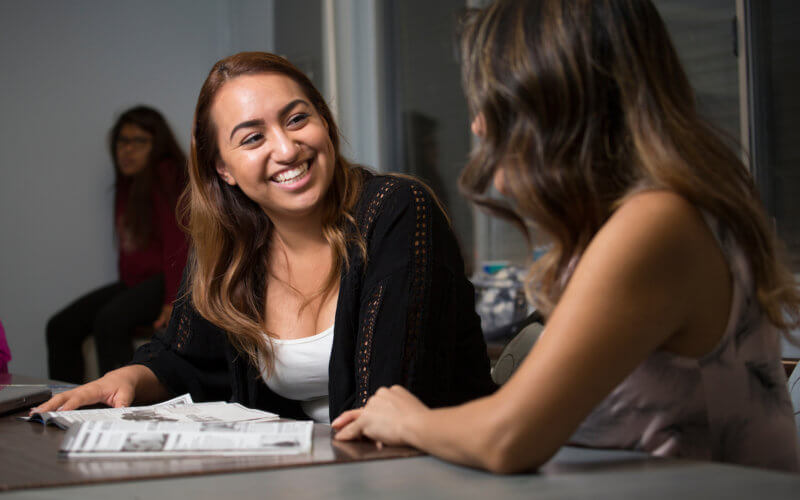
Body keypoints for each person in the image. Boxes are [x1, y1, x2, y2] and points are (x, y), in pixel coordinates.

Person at [333, 0, 800, 472]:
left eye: (489, 102)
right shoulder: (646, 217)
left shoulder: (658, 223)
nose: (477, 124)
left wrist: (405, 418)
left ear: (548, 102)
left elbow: (507, 438)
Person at [34, 52, 495, 423]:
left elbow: (388, 404)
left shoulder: (397, 209)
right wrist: (128, 377)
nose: (286, 148)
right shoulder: (228, 243)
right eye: (252, 138)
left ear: (325, 124)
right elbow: (185, 357)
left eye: (297, 119)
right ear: (223, 169)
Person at [46, 106, 188, 384]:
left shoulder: (165, 173)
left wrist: (174, 300)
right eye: (123, 141)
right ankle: (63, 404)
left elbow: (178, 241)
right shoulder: (129, 182)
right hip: (137, 283)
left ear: (157, 145)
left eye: (139, 141)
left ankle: (119, 405)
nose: (128, 150)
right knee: (61, 326)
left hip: (168, 281)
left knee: (109, 321)